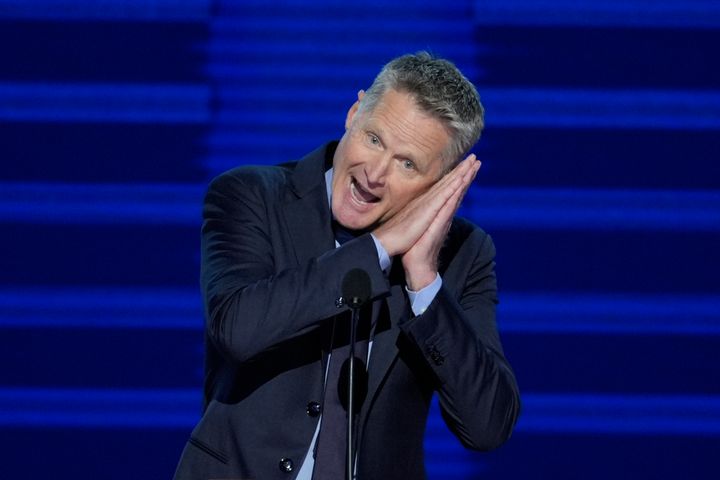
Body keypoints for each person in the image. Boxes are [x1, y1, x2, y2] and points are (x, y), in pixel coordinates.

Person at [174, 52, 520, 480]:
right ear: (354, 113)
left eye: (407, 164)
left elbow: (488, 426)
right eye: (374, 139)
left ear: (441, 183)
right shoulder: (253, 196)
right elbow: (236, 329)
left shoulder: (464, 254)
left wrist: (425, 283)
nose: (374, 174)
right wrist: (379, 246)